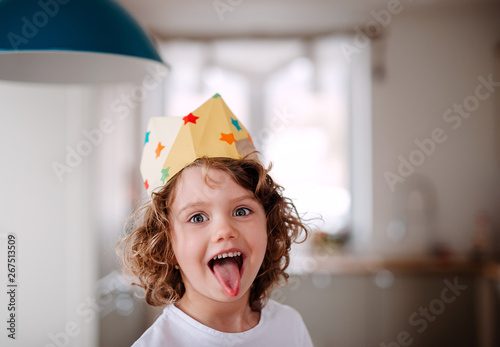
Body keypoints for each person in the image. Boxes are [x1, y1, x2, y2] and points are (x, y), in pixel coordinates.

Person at [118, 94, 313, 346]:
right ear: (165, 244)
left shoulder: (290, 327)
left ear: (269, 224)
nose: (224, 230)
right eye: (197, 217)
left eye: (241, 211)